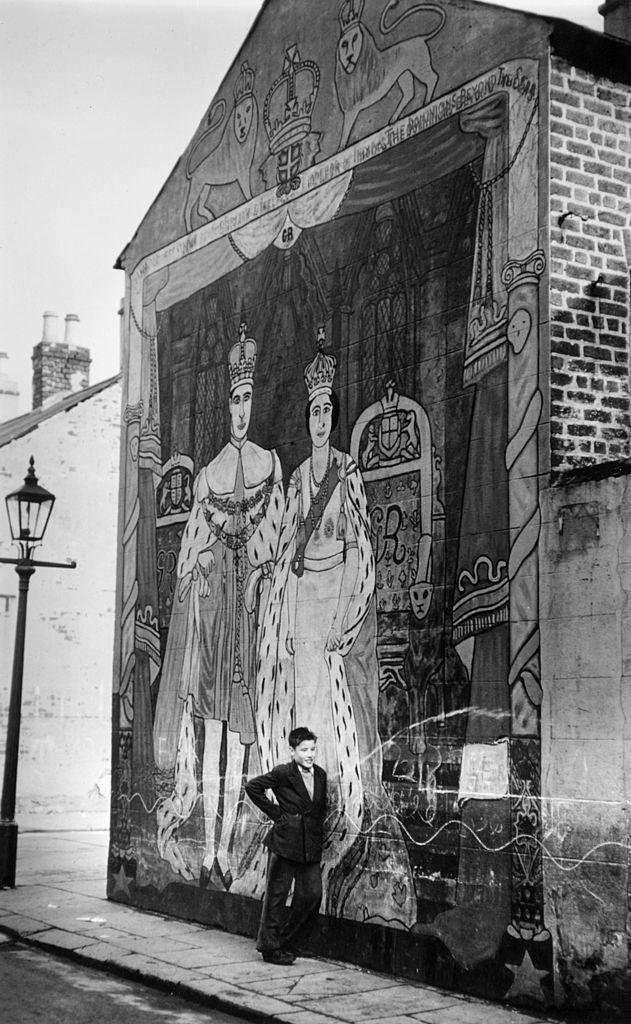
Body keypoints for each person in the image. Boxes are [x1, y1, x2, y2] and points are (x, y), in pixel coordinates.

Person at [249, 327, 417, 927]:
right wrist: (277, 600)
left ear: (335, 416)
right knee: (299, 702)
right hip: (302, 602)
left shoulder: (344, 475)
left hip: (334, 600)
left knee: (326, 705)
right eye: (314, 411)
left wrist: (346, 616)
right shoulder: (297, 480)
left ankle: (333, 809)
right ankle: (300, 811)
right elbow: (284, 543)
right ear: (306, 415)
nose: (320, 420)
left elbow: (357, 548)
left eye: (327, 411)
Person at [153, 324, 284, 886]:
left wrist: (254, 575)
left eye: (247, 398)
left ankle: (230, 847)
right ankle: (208, 848)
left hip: (247, 625)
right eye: (234, 399)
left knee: (237, 741)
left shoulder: (268, 466)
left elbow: (276, 548)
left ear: (254, 402)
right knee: (210, 741)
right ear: (225, 404)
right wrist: (202, 565)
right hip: (212, 626)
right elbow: (189, 558)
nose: (240, 409)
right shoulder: (206, 477)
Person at [246, 726, 326, 964]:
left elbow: (319, 808)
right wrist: (278, 815)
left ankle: (288, 942)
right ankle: (269, 948)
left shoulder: (320, 775)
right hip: (285, 843)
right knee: (276, 897)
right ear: (292, 751)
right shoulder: (283, 773)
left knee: (312, 894)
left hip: (309, 845)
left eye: (312, 749)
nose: (309, 754)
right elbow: (253, 787)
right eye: (304, 750)